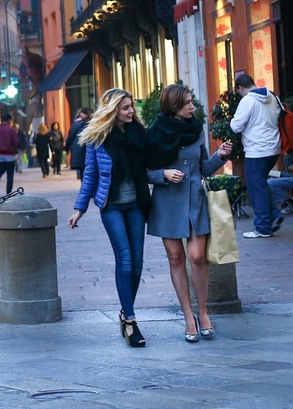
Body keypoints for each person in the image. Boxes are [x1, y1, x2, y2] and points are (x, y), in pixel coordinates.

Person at [146, 84, 233, 343]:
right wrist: (162, 174)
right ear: (173, 107)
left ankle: (203, 313)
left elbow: (204, 168)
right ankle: (188, 317)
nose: (192, 106)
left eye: (191, 101)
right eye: (187, 103)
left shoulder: (196, 130)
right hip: (167, 202)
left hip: (195, 201)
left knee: (196, 257)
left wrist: (220, 156)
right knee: (175, 258)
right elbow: (144, 171)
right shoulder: (154, 135)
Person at [67, 88, 149, 348]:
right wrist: (80, 208)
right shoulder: (97, 138)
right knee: (124, 258)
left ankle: (126, 312)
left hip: (136, 204)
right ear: (113, 110)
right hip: (111, 206)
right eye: (125, 107)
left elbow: (151, 163)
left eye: (131, 106)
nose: (131, 111)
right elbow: (90, 174)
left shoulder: (138, 134)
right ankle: (131, 321)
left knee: (137, 262)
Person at [230, 74, 282, 238]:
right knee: (261, 184)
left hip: (256, 151)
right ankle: (274, 214)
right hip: (274, 149)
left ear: (240, 88)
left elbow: (236, 126)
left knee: (255, 188)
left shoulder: (247, 100)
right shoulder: (272, 96)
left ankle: (262, 227)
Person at [0, 113, 19, 194]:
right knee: (10, 174)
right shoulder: (11, 130)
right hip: (10, 154)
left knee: (0, 171)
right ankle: (8, 191)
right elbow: (16, 142)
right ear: (9, 120)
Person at [66, 107, 94, 179]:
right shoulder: (94, 124)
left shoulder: (77, 124)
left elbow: (70, 137)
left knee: (83, 172)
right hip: (88, 152)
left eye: (82, 113)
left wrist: (66, 148)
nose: (80, 114)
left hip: (80, 151)